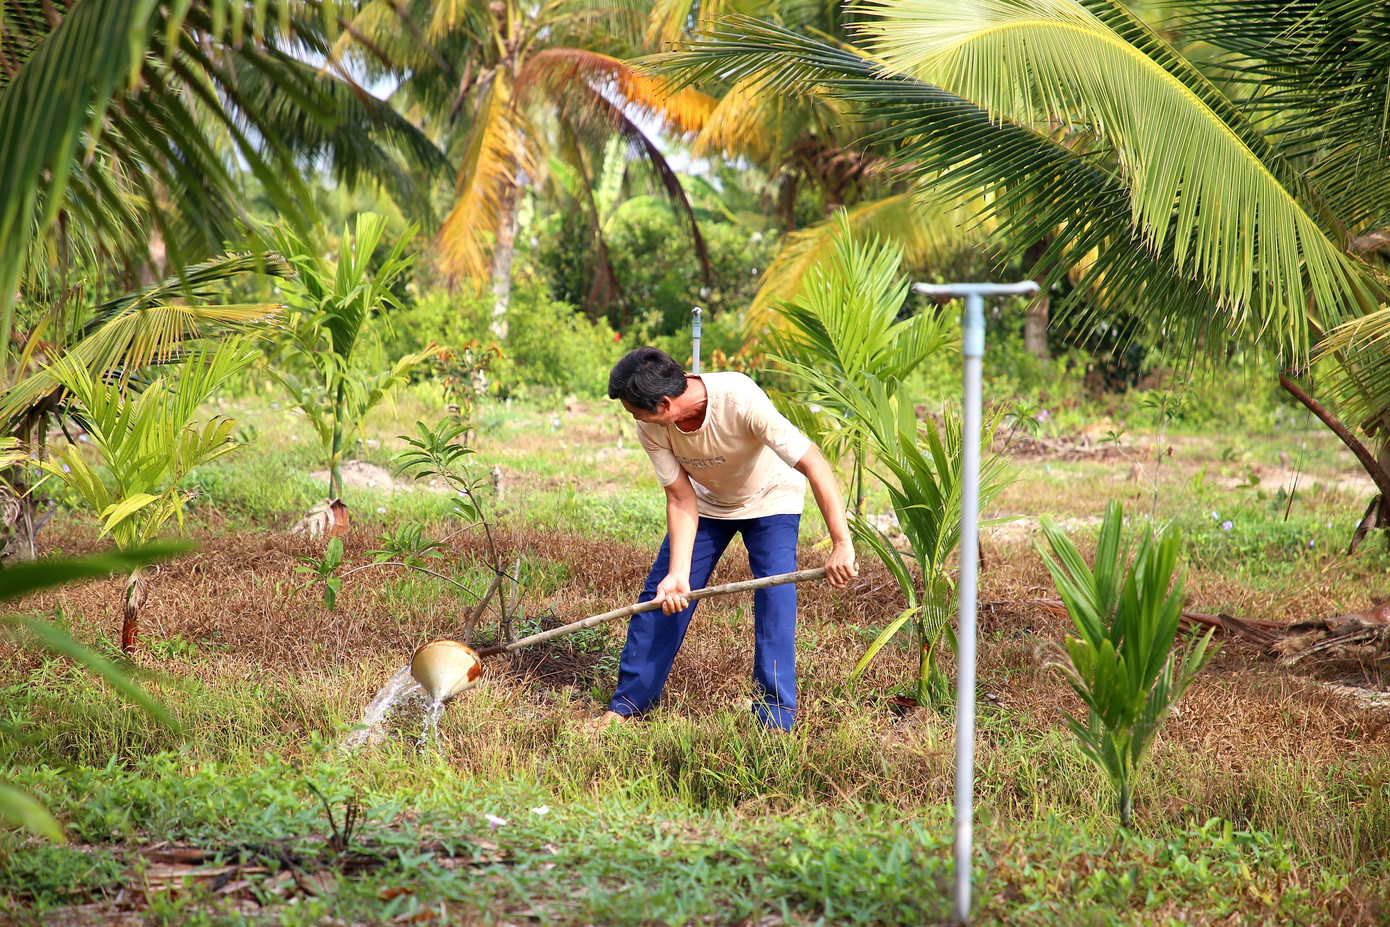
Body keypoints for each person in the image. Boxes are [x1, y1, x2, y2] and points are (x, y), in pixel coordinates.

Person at [593, 347, 857, 732]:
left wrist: (841, 542)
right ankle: (628, 705)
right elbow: (680, 496)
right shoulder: (651, 426)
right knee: (661, 598)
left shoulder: (740, 399)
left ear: (665, 404)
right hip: (706, 503)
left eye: (638, 412)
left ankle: (774, 721)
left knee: (775, 599)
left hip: (771, 497)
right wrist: (679, 574)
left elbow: (813, 462)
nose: (636, 420)